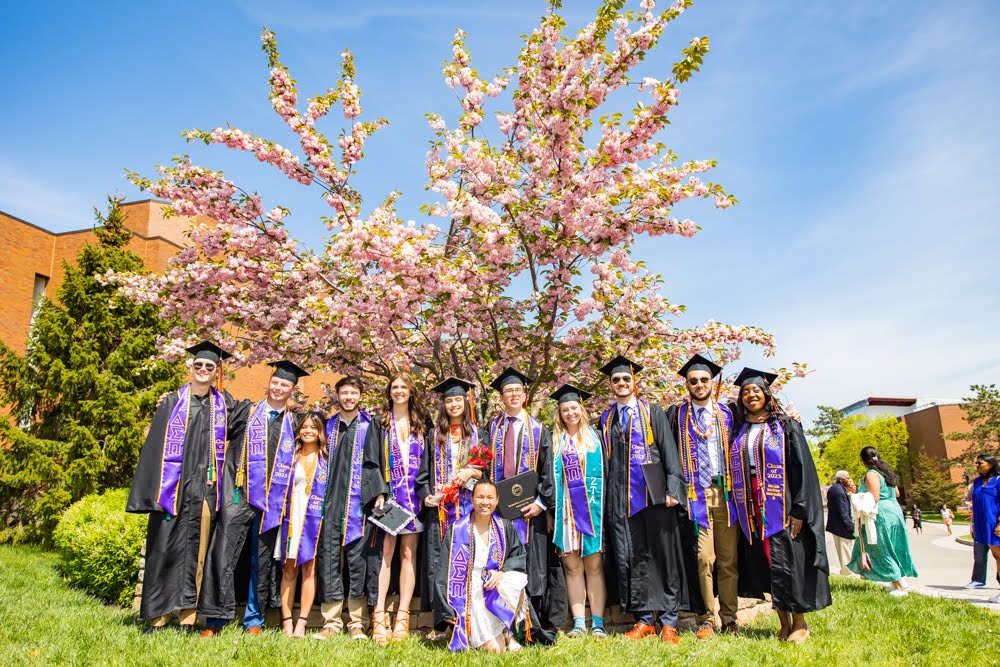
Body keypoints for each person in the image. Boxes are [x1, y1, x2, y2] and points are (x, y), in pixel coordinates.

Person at [126, 341, 248, 632]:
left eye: (209, 366)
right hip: (174, 489)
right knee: (164, 548)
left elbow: (248, 422)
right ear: (190, 368)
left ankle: (188, 616)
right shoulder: (172, 402)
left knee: (199, 551)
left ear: (216, 371)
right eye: (199, 366)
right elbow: (154, 445)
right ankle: (159, 614)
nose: (203, 370)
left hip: (205, 490)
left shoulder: (224, 405)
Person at [198, 360, 308, 638]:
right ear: (269, 382)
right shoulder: (246, 412)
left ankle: (254, 617)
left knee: (261, 560)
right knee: (223, 553)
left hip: (273, 501)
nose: (279, 387)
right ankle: (215, 617)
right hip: (239, 493)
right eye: (276, 382)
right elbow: (214, 418)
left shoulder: (294, 423)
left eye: (285, 384)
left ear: (292, 389)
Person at [598, 355, 699, 645]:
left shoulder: (652, 411)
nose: (621, 383)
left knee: (663, 556)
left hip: (654, 498)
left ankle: (668, 621)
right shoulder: (606, 419)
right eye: (616, 380)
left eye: (625, 379)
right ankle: (643, 620)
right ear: (611, 384)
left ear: (634, 382)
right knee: (631, 557)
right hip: (621, 499)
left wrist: (672, 490)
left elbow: (669, 451)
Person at [728, 367, 830, 643]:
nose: (751, 395)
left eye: (756, 391)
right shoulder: (739, 427)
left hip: (780, 503)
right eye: (746, 392)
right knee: (767, 562)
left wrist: (800, 507)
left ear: (767, 394)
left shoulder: (785, 425)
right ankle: (782, 622)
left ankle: (800, 622)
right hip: (750, 506)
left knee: (788, 562)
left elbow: (802, 468)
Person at [484, 367, 562, 644]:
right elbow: (482, 469)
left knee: (530, 569)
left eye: (518, 390)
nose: (513, 395)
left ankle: (529, 627)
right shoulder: (491, 429)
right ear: (502, 397)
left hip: (530, 515)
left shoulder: (540, 430)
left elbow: (547, 473)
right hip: (498, 515)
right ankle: (499, 626)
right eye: (508, 391)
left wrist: (542, 503)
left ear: (525, 395)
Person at [664, 353, 738, 639]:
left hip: (726, 493)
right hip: (695, 495)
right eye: (693, 381)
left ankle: (729, 618)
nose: (699, 384)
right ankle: (705, 618)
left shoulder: (729, 413)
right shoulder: (676, 415)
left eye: (704, 380)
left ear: (712, 381)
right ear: (687, 384)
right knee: (704, 558)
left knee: (728, 558)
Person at [362, 372, 430, 644]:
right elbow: (371, 461)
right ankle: (379, 614)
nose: (399, 391)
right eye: (395, 387)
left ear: (411, 391)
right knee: (385, 553)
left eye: (404, 387)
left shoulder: (423, 424)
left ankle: (402, 615)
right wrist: (378, 492)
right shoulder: (380, 424)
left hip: (414, 498)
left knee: (407, 553)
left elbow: (429, 462)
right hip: (389, 498)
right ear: (389, 392)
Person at [418, 377, 487, 633]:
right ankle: (443, 623)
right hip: (439, 511)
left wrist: (470, 472)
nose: (454, 404)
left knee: (467, 560)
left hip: (468, 509)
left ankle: (470, 619)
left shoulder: (479, 434)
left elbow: (487, 473)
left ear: (466, 402)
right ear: (443, 405)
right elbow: (423, 472)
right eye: (449, 400)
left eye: (458, 399)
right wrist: (425, 495)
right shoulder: (434, 435)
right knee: (439, 563)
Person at [435, 480, 528, 654]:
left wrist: (501, 573)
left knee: (516, 580)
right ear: (472, 498)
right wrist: (448, 611)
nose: (485, 502)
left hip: (494, 590)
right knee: (495, 651)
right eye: (480, 497)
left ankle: (507, 633)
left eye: (489, 498)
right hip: (469, 595)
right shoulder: (457, 530)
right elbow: (443, 571)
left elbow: (518, 556)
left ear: (497, 500)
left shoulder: (504, 527)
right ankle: (495, 636)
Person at [314, 376, 374, 640]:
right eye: (344, 393)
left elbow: (377, 465)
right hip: (329, 502)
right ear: (337, 396)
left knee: (358, 563)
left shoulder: (371, 427)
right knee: (328, 559)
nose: (349, 397)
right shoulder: (327, 426)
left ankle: (358, 622)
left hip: (359, 505)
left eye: (353, 392)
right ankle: (331, 621)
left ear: (360, 396)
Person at [549, 383, 606, 638]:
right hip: (565, 514)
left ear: (581, 409)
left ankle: (598, 623)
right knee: (572, 568)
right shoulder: (554, 442)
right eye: (565, 410)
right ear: (559, 414)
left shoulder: (597, 438)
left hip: (592, 510)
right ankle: (579, 623)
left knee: (594, 567)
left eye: (574, 408)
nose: (570, 413)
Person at [273, 412, 329, 637]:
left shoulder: (326, 459)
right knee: (289, 570)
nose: (308, 431)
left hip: (315, 519)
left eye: (313, 427)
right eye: (304, 427)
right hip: (292, 517)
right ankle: (286, 621)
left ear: (320, 432)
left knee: (310, 569)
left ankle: (302, 623)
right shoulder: (290, 455)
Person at [848, 446, 918, 596]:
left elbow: (874, 497)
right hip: (895, 510)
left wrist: (855, 497)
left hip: (881, 514)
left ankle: (898, 585)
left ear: (863, 461)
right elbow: (897, 492)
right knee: (894, 545)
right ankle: (900, 581)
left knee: (882, 548)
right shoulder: (886, 472)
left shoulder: (872, 474)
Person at [967, 454, 1000, 599]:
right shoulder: (978, 481)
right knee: (996, 556)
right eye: (976, 463)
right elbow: (975, 504)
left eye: (980, 463)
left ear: (991, 464)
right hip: (982, 524)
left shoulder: (998, 480)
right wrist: (973, 524)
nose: (977, 465)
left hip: (995, 523)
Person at [826, 471, 857, 577]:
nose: (849, 479)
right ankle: (849, 574)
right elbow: (843, 513)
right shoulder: (839, 491)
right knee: (846, 554)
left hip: (838, 527)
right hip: (842, 528)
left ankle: (847, 573)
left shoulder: (836, 489)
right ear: (841, 479)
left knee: (845, 552)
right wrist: (852, 528)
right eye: (847, 478)